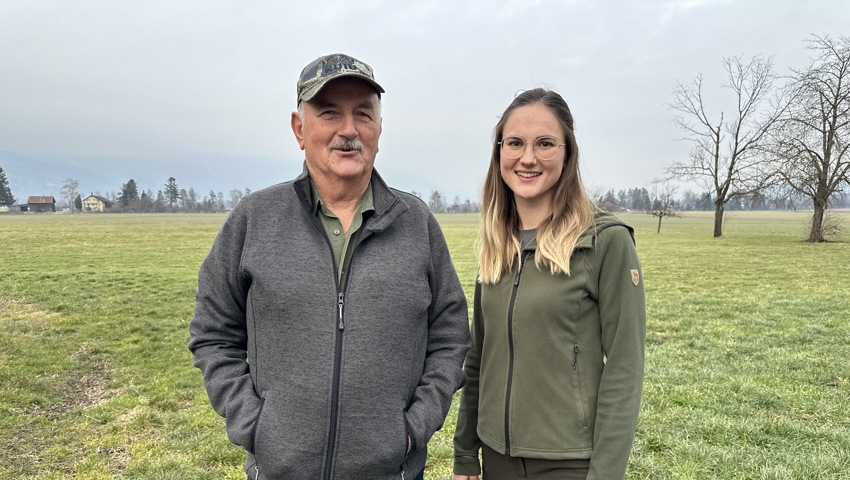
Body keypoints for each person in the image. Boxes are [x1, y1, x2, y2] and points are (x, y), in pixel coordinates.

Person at [188, 53, 470, 480]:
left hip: (392, 471)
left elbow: (449, 336)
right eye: (329, 113)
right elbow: (213, 333)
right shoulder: (254, 219)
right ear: (299, 129)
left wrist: (411, 429)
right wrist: (256, 426)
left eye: (363, 114)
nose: (349, 130)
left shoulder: (417, 224)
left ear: (379, 128)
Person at [452, 88, 646, 480]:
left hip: (568, 463)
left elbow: (625, 368)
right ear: (499, 152)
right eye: (515, 143)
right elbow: (479, 358)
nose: (528, 157)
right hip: (495, 459)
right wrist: (465, 453)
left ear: (567, 152)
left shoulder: (606, 240)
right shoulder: (496, 245)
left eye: (545, 143)